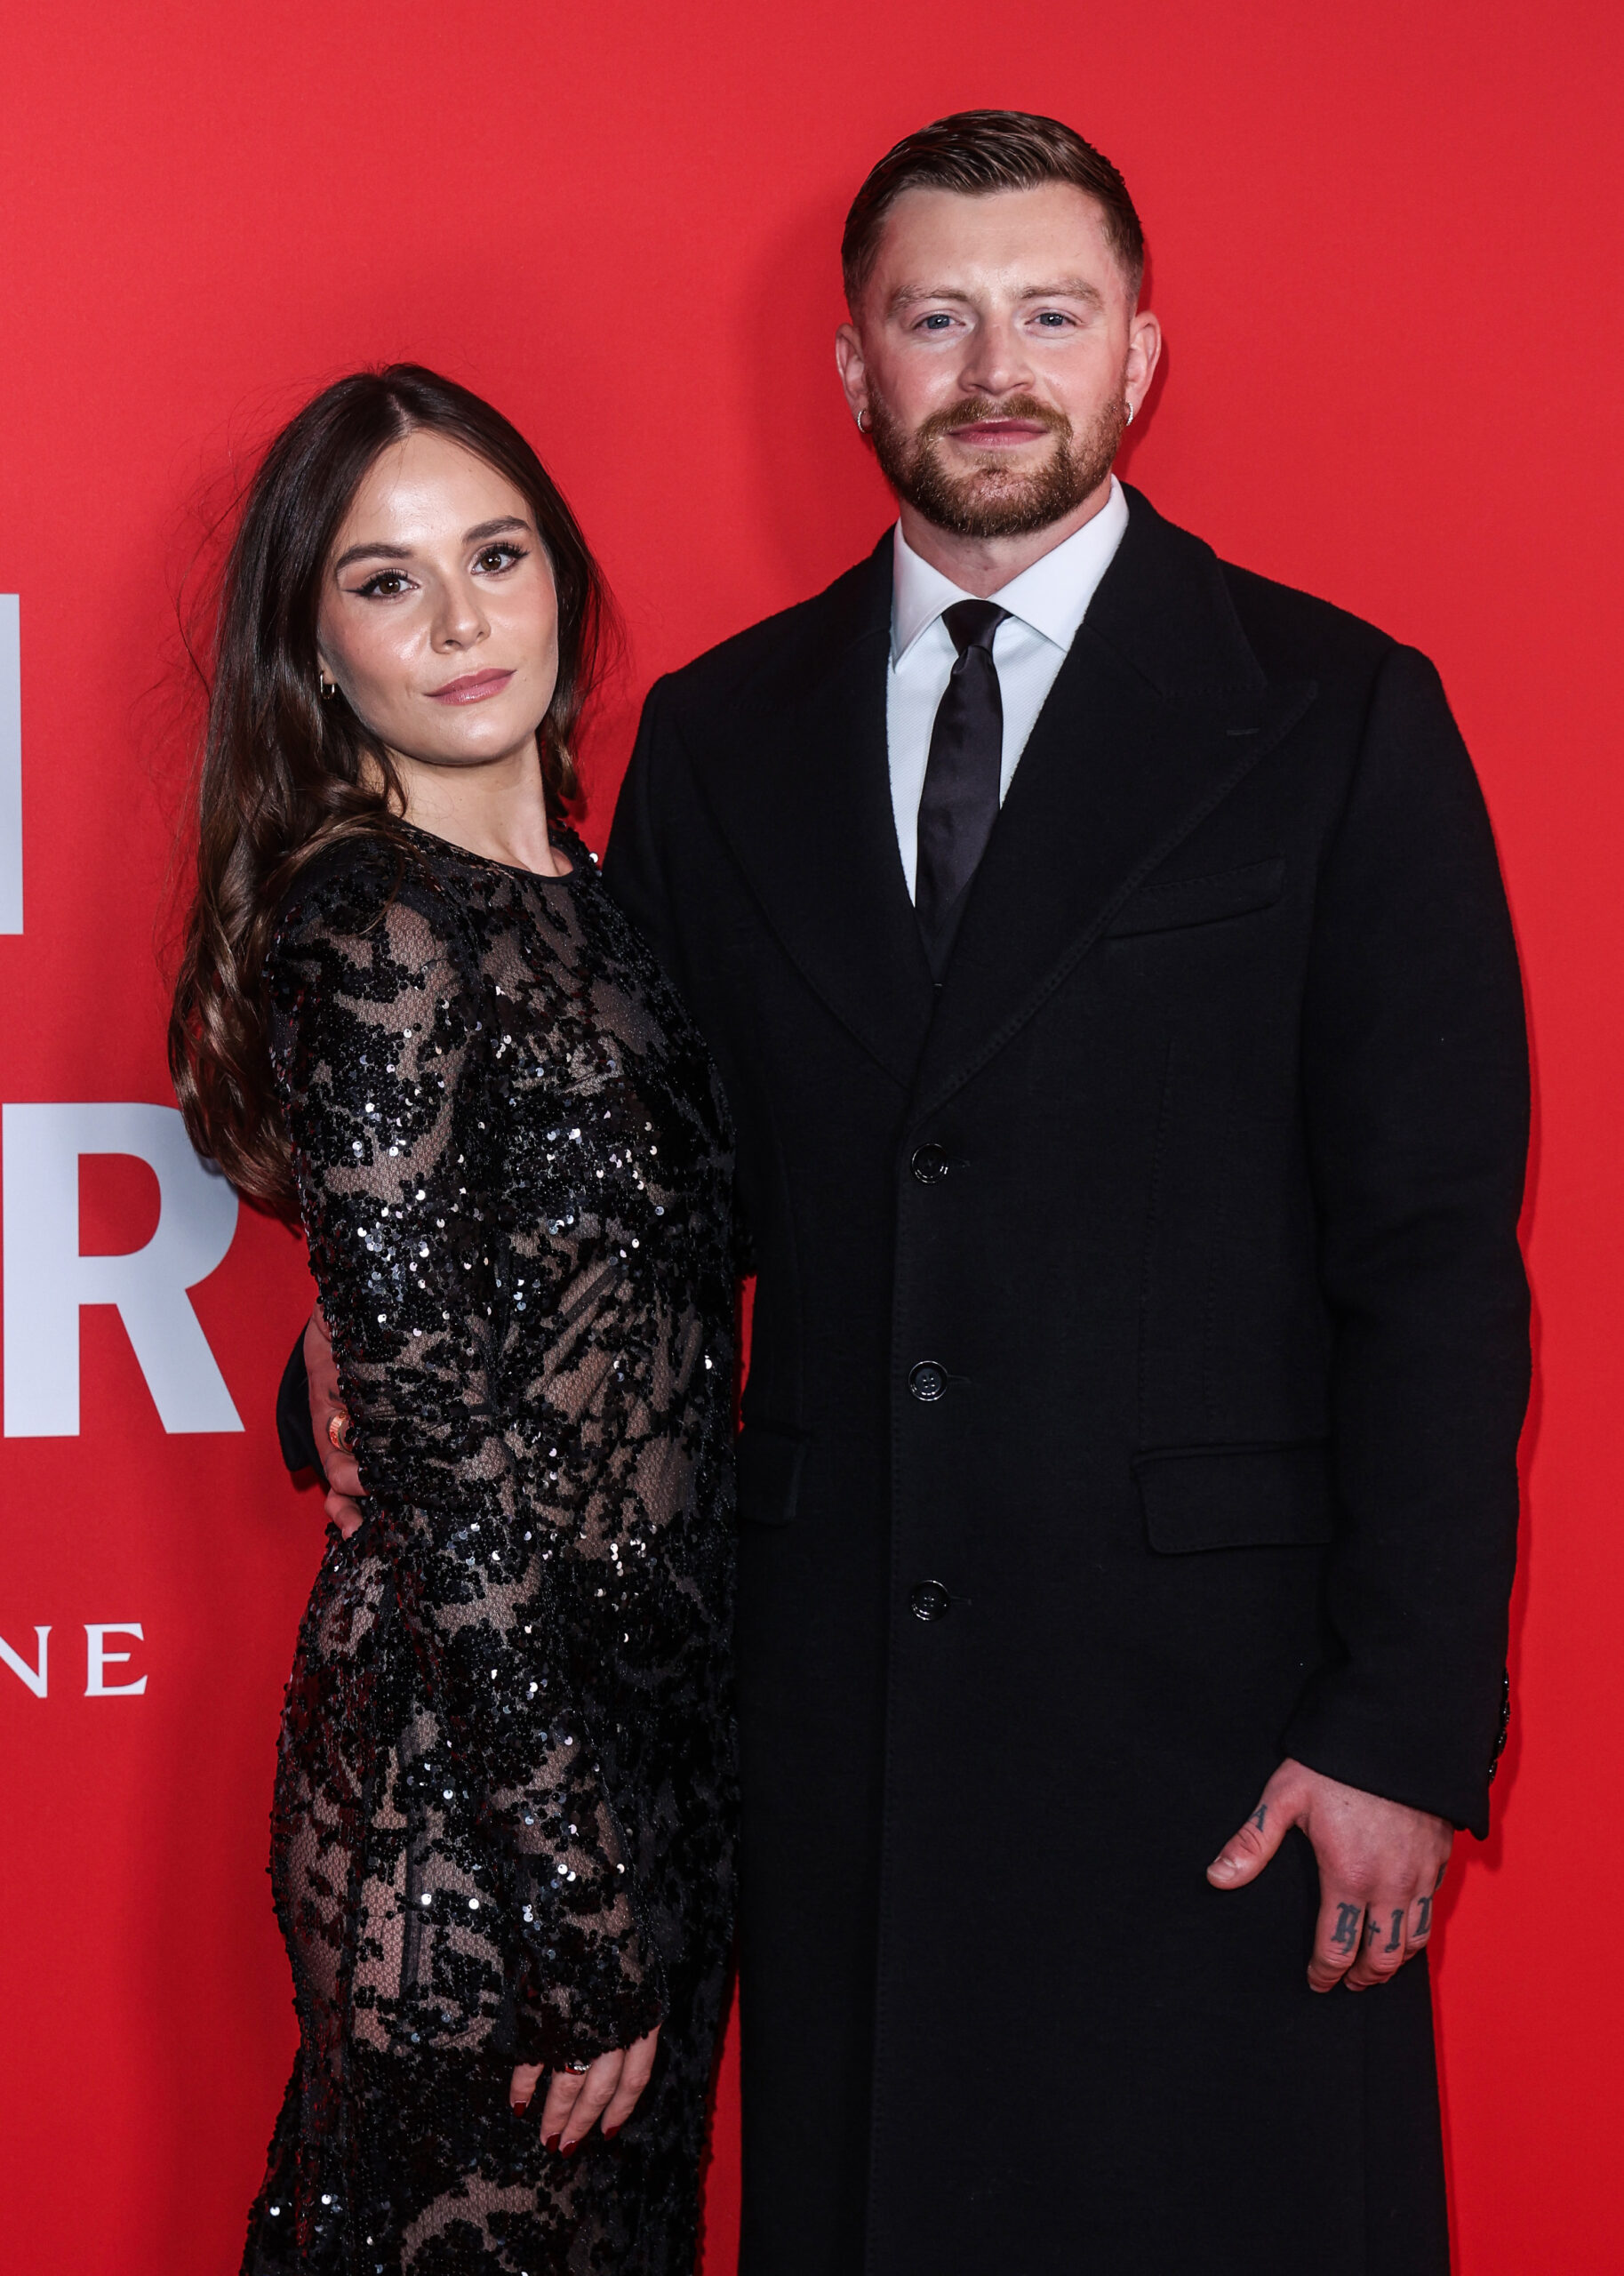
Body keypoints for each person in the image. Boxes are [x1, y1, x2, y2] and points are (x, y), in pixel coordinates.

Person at [302, 113, 1528, 2274]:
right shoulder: (716, 732)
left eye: (1046, 312)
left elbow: (1430, 1258)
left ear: (1137, 354)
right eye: (931, 314)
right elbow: (647, 1181)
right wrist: (362, 1341)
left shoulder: (1337, 715)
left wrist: (1397, 1724)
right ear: (850, 365)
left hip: (1217, 1739)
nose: (992, 364)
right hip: (828, 1728)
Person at [172, 365, 738, 2275]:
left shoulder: (602, 897)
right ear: (313, 646)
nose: (462, 618)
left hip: (643, 1765)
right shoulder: (380, 924)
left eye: (493, 555)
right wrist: (575, 1903)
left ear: (560, 577)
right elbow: (425, 1431)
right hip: (472, 1803)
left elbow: (543, 1307)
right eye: (385, 580)